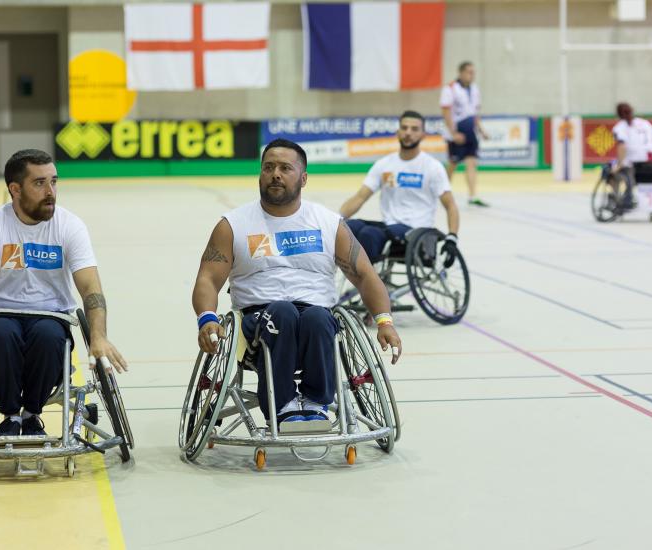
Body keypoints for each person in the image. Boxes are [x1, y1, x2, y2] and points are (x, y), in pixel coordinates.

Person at [192, 138, 402, 428]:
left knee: (317, 317)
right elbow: (207, 278)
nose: (275, 174)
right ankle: (283, 405)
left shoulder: (328, 223)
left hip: (316, 314)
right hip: (257, 318)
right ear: (260, 175)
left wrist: (384, 321)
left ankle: (316, 402)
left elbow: (365, 274)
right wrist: (206, 318)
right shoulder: (233, 224)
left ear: (303, 178)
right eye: (268, 167)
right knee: (283, 312)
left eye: (285, 168)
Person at [0, 149, 127, 439]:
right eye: (40, 183)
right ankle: (10, 416)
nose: (50, 192)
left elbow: (90, 287)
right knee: (1, 335)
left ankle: (32, 414)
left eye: (54, 182)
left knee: (48, 337)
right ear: (15, 189)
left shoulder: (70, 226)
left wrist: (98, 336)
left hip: (50, 315)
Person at [339, 111, 460, 268]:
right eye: (404, 128)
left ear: (423, 135)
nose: (408, 132)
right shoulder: (384, 164)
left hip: (418, 231)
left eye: (414, 129)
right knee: (350, 227)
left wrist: (452, 237)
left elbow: (450, 205)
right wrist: (337, 219)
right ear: (398, 132)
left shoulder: (433, 167)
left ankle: (371, 285)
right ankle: (357, 279)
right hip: (390, 227)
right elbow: (360, 197)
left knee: (369, 234)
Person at [440, 61, 489, 207]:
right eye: (469, 72)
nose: (472, 75)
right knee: (453, 163)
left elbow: (475, 113)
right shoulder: (450, 89)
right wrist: (453, 133)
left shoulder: (474, 89)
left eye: (473, 72)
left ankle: (472, 196)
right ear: (460, 73)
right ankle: (442, 192)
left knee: (472, 162)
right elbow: (446, 112)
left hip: (470, 130)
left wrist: (481, 130)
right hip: (457, 130)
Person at [610, 102, 652, 210]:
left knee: (611, 173)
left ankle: (619, 199)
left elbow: (622, 146)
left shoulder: (620, 127)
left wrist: (619, 165)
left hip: (636, 166)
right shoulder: (645, 123)